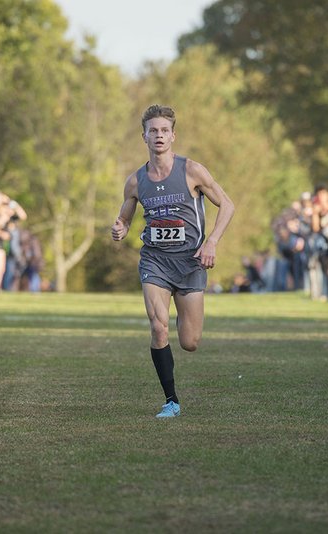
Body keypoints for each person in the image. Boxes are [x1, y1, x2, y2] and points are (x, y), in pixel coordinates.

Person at [111, 105, 235, 418]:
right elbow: (124, 218)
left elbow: (228, 205)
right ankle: (171, 400)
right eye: (153, 130)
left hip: (191, 261)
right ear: (144, 137)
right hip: (155, 262)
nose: (159, 136)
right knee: (158, 327)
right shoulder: (136, 181)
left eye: (164, 130)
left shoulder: (192, 170)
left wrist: (212, 242)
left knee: (190, 342)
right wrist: (120, 228)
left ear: (173, 135)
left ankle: (184, 314)